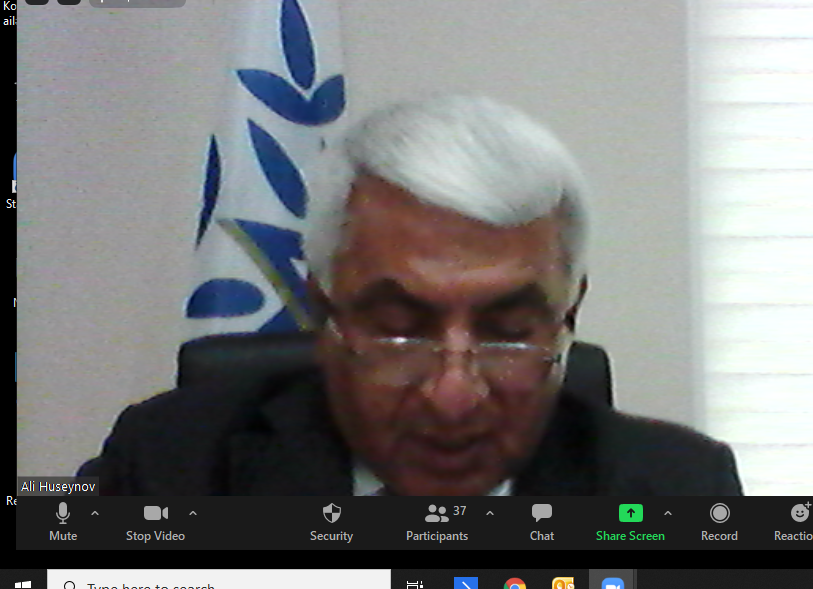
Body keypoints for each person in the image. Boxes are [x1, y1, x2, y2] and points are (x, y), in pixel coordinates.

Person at [84, 97, 742, 496]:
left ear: (568, 313)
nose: (454, 396)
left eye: (509, 333)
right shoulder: (170, 463)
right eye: (399, 329)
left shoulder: (679, 488)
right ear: (323, 308)